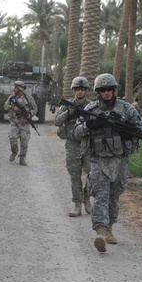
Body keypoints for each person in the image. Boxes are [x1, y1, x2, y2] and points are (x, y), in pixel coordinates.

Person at [73, 73, 142, 252]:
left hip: (119, 160)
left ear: (114, 90)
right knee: (100, 196)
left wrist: (126, 132)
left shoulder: (126, 109)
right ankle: (100, 232)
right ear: (98, 92)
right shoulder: (90, 109)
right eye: (102, 90)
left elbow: (140, 129)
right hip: (98, 160)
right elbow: (76, 132)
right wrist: (88, 126)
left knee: (114, 197)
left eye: (109, 89)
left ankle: (110, 228)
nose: (106, 93)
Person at [54, 76, 93, 217]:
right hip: (72, 145)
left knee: (93, 174)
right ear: (73, 91)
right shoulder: (67, 105)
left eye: (82, 89)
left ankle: (86, 196)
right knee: (75, 176)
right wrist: (69, 112)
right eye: (77, 89)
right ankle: (77, 205)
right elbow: (57, 122)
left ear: (86, 90)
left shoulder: (92, 106)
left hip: (88, 145)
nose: (80, 92)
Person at [4, 80, 37, 166]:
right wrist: (12, 108)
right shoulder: (12, 97)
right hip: (14, 121)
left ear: (20, 89)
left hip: (24, 123)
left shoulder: (29, 98)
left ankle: (22, 158)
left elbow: (35, 108)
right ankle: (14, 152)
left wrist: (29, 114)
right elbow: (5, 106)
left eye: (16, 87)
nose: (14, 89)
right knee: (12, 138)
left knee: (24, 141)